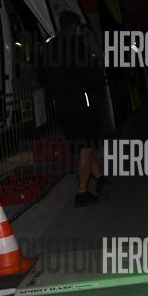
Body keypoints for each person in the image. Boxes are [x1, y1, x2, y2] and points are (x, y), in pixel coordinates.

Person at [39, 11, 111, 207]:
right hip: (84, 105)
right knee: (86, 148)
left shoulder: (48, 48)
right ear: (77, 27)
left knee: (81, 146)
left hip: (63, 107)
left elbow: (41, 77)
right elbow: (95, 79)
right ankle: (82, 192)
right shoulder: (81, 48)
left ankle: (100, 179)